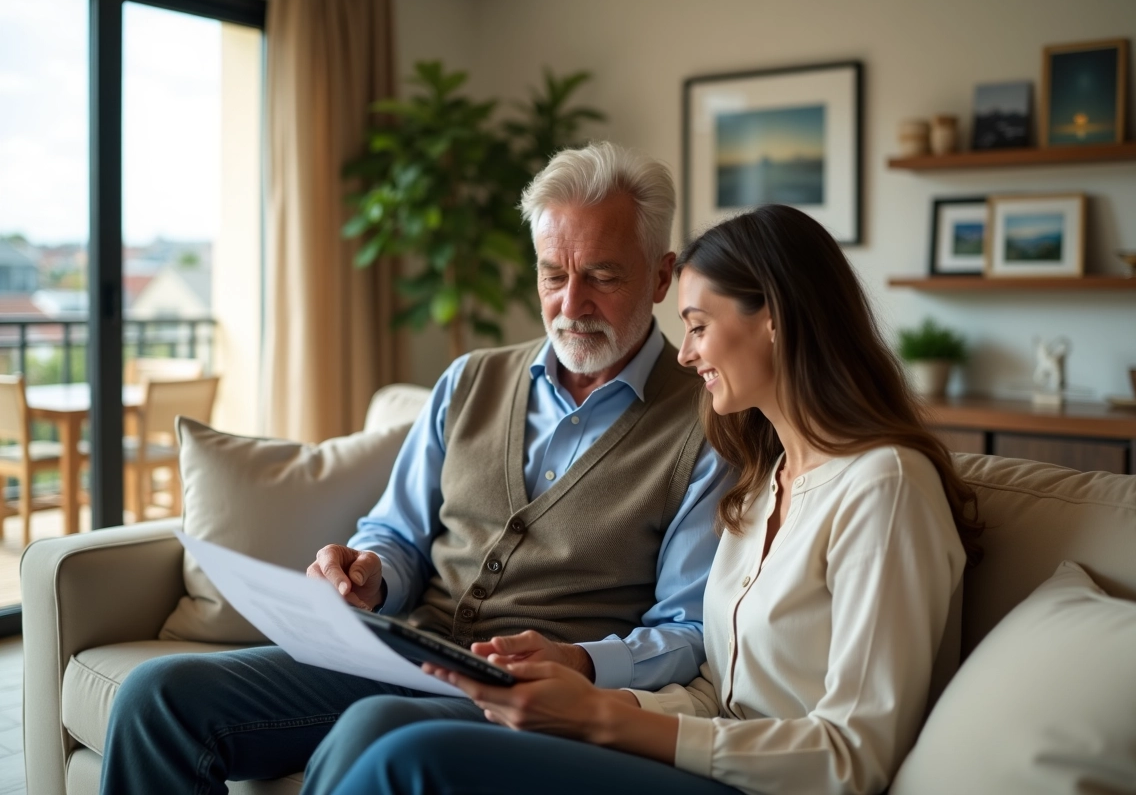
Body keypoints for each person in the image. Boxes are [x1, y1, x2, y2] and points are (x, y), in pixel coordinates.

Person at [99, 142, 734, 794]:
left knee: (370, 732)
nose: (571, 304)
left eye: (601, 276)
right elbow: (396, 534)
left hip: (528, 693)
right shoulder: (470, 380)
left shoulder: (708, 423)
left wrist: (579, 661)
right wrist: (369, 573)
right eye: (552, 275)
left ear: (661, 277)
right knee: (159, 696)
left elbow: (688, 631)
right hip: (399, 651)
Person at [325, 204, 984, 795]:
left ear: (775, 321)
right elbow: (716, 693)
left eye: (698, 326)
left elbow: (853, 757)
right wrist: (584, 700)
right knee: (381, 721)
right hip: (705, 757)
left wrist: (603, 717)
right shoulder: (763, 482)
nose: (688, 354)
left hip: (771, 783)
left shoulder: (884, 488)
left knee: (415, 757)